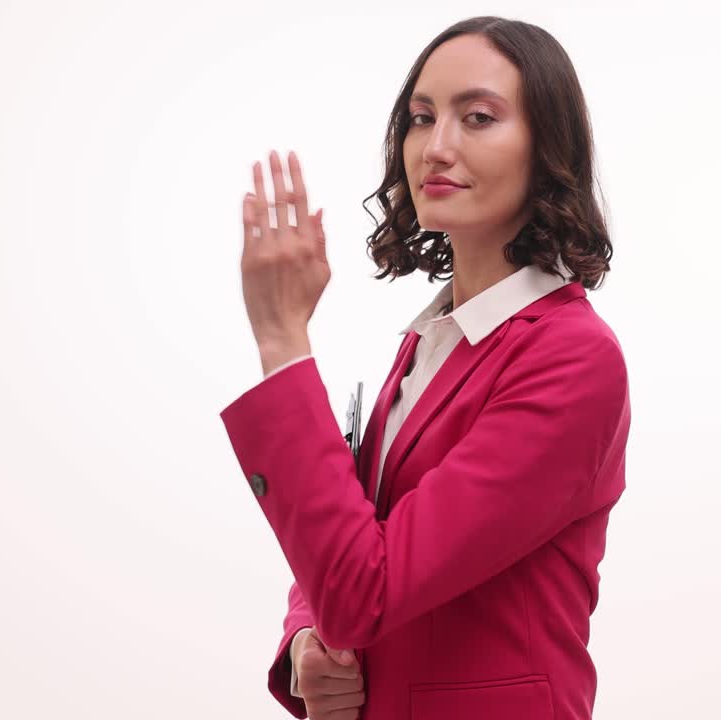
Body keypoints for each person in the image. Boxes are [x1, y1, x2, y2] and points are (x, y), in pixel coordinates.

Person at [218, 15, 631, 720]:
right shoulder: (435, 341)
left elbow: (365, 592)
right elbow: (354, 536)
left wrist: (283, 339)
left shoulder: (572, 358)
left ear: (547, 149)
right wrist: (307, 640)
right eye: (420, 117)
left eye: (478, 117)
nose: (436, 147)